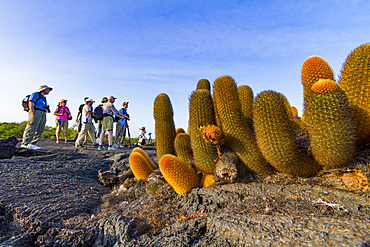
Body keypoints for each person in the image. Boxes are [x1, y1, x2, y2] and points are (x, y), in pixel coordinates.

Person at [20, 84, 53, 150]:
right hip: (36, 111)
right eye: (48, 89)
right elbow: (31, 103)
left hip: (43, 112)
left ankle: (32, 143)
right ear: (43, 89)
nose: (49, 91)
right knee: (32, 127)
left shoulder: (44, 98)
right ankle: (25, 143)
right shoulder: (35, 94)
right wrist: (33, 112)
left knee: (40, 128)